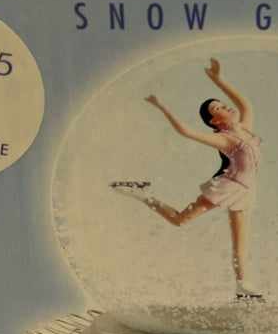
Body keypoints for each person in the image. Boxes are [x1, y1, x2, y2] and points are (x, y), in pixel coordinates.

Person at [111, 58, 265, 300]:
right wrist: (161, 107)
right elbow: (185, 131)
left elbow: (245, 103)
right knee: (181, 220)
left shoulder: (245, 128)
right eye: (218, 108)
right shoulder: (224, 139)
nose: (226, 107)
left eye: (222, 104)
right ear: (215, 121)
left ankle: (242, 286)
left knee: (240, 242)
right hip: (229, 187)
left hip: (246, 190)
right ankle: (143, 195)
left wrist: (219, 80)